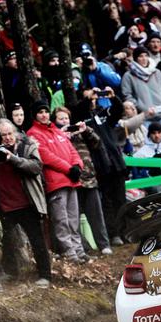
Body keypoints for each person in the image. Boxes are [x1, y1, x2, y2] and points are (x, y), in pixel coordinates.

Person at [0, 119, 52, 288]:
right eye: (4, 135)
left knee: (37, 240)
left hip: (27, 203)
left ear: (15, 133)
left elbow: (36, 167)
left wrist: (13, 159)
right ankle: (10, 273)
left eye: (10, 134)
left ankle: (45, 275)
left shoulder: (27, 146)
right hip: (3, 204)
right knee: (8, 242)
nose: (8, 138)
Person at [27, 101, 89, 264]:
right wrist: (69, 169)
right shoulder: (33, 133)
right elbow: (46, 156)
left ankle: (79, 251)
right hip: (56, 182)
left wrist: (77, 166)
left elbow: (72, 150)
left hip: (71, 180)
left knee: (73, 218)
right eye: (40, 112)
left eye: (46, 111)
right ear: (35, 115)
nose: (44, 115)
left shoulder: (57, 131)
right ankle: (69, 253)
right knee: (61, 220)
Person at [53, 107, 112, 255]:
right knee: (74, 219)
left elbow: (97, 143)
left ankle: (104, 245)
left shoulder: (81, 133)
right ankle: (83, 248)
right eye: (61, 119)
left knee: (96, 216)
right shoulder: (57, 136)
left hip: (89, 180)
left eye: (66, 118)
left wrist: (86, 130)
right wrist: (62, 134)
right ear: (55, 121)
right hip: (71, 182)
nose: (64, 121)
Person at [73, 88, 128, 246]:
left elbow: (118, 111)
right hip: (98, 165)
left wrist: (113, 97)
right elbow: (77, 113)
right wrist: (86, 100)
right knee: (107, 202)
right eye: (89, 98)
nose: (93, 99)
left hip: (115, 162)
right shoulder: (81, 118)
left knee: (121, 200)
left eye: (94, 97)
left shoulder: (103, 114)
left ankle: (126, 232)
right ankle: (114, 234)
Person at [121, 46, 161, 135]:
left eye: (146, 56)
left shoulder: (157, 72)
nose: (144, 59)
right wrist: (140, 106)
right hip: (144, 116)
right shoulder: (128, 75)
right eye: (141, 56)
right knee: (148, 142)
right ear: (136, 58)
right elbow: (127, 95)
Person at [77, 43, 122, 109]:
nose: (85, 58)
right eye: (83, 56)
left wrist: (96, 70)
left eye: (87, 55)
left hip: (106, 103)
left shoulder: (101, 66)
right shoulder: (76, 70)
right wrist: (78, 70)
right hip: (88, 106)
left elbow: (116, 81)